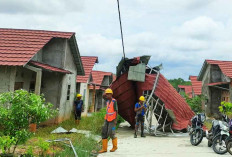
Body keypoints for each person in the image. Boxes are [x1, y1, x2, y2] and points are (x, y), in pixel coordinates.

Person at [98, 88, 118, 153]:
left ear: (111, 94)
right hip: (107, 119)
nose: (106, 95)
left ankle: (115, 147)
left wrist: (115, 120)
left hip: (112, 120)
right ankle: (104, 148)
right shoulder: (107, 101)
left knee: (111, 132)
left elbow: (116, 111)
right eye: (106, 94)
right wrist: (105, 93)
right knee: (104, 132)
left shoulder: (114, 101)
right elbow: (103, 96)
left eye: (108, 94)